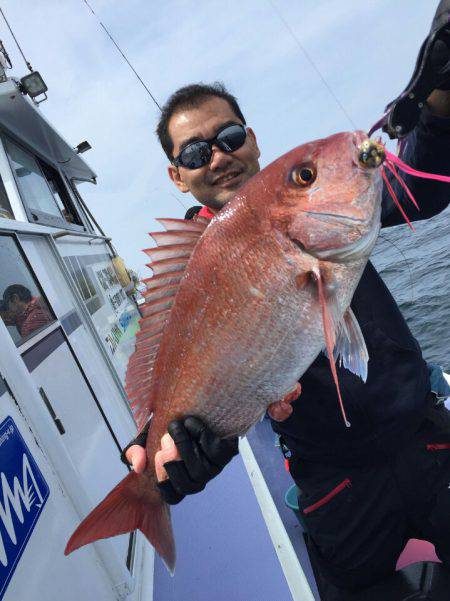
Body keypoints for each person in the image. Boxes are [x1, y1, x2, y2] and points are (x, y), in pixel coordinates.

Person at [123, 6, 450, 598]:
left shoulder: (331, 212)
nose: (217, 156)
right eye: (195, 153)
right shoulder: (188, 271)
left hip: (426, 436)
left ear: (251, 139)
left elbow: (424, 184)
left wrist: (439, 103)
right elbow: (179, 368)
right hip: (334, 482)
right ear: (178, 176)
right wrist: (176, 450)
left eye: (228, 137)